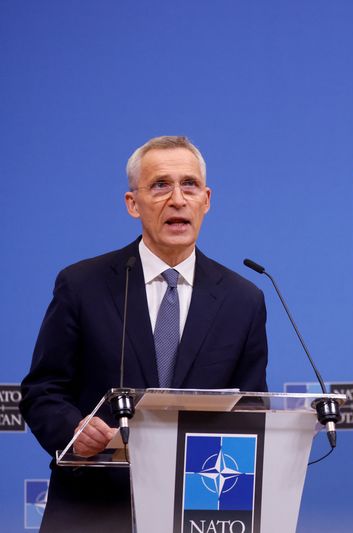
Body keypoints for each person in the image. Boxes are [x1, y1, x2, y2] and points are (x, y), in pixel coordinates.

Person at [20, 136, 268, 532]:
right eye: (159, 185)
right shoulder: (83, 285)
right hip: (95, 506)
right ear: (132, 204)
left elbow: (252, 410)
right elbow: (43, 390)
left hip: (199, 510)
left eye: (188, 185)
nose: (177, 199)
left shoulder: (244, 299)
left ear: (206, 199)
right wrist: (73, 429)